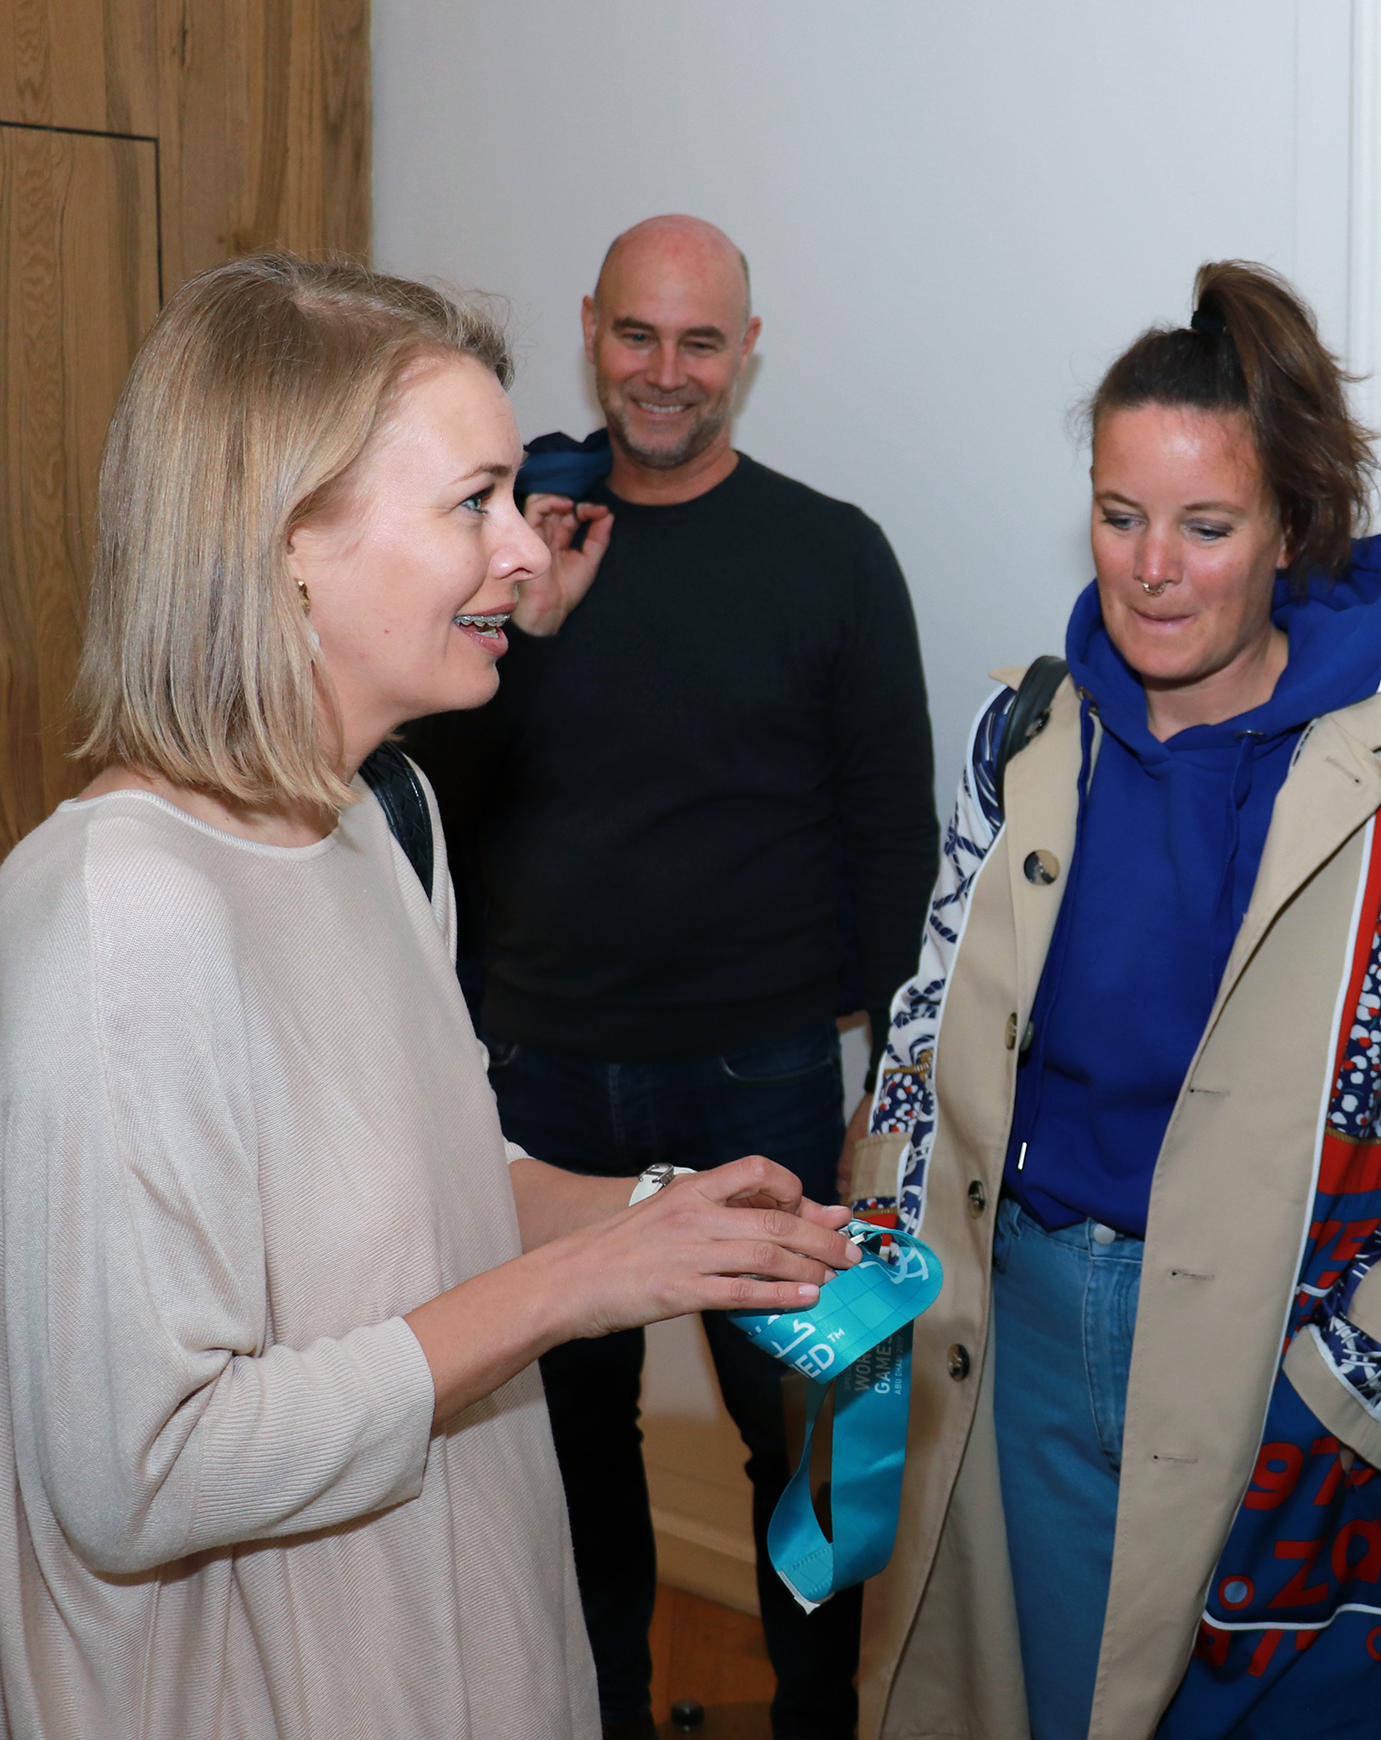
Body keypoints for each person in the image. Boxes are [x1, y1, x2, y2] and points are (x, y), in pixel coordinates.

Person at [0, 253, 859, 1740]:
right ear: (290, 537)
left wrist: (666, 1218)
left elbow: (442, 1184)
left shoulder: (384, 821)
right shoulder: (123, 912)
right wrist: (576, 1290)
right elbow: (142, 1472)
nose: (527, 556)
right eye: (473, 503)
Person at [848, 260, 1381, 1740]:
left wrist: (1356, 1382)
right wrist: (886, 1249)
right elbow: (926, 1020)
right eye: (1119, 514)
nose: (1151, 566)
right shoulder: (1028, 731)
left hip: (1288, 1361)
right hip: (1023, 1341)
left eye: (1207, 526)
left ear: (1290, 527)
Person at [403, 215, 938, 1740]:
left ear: (746, 355)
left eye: (701, 342)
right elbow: (439, 794)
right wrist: (531, 623)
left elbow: (892, 844)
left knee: (809, 1458)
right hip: (538, 1084)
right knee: (567, 1454)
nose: (664, 372)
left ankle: (816, 1723)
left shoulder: (832, 556)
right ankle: (605, 1714)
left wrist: (884, 1106)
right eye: (638, 336)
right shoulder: (515, 552)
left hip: (757, 1078)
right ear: (593, 330)